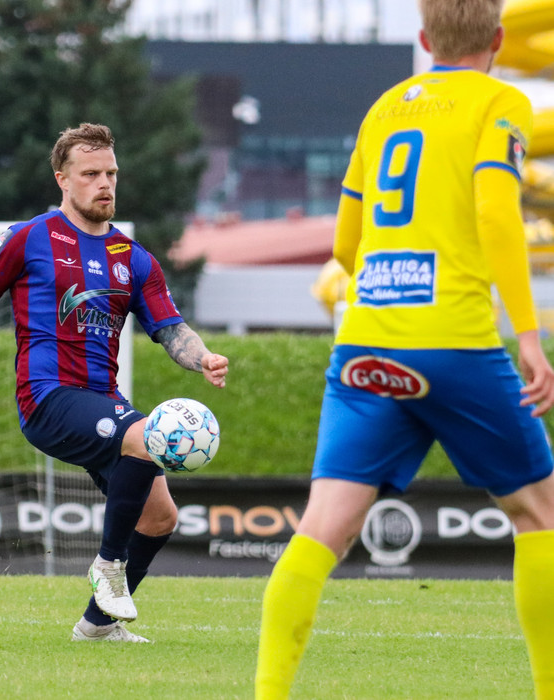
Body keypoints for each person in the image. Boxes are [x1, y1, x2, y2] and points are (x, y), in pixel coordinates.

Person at [256, 0, 554, 697]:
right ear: (498, 38)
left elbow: (345, 244)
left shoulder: (385, 108)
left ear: (424, 38)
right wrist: (529, 337)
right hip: (454, 344)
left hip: (366, 346)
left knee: (323, 529)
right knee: (539, 513)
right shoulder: (502, 102)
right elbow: (496, 213)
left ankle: (269, 693)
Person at [0, 122, 229, 644]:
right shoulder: (29, 237)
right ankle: (108, 564)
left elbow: (170, 328)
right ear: (63, 178)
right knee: (147, 436)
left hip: (104, 403)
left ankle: (97, 626)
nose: (105, 183)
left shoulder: (133, 258)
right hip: (47, 397)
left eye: (111, 173)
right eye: (91, 174)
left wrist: (203, 357)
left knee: (160, 518)